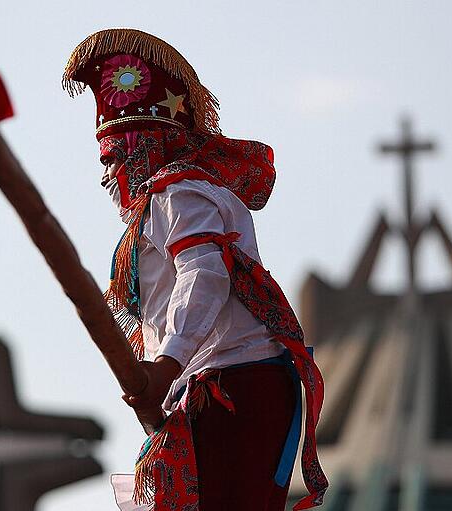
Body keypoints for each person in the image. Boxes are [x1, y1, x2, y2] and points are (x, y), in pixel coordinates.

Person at [63, 29, 328, 511]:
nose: (107, 175)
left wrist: (166, 366)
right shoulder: (184, 193)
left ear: (145, 147)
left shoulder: (177, 192)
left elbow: (204, 273)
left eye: (115, 156)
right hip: (230, 386)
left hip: (233, 387)